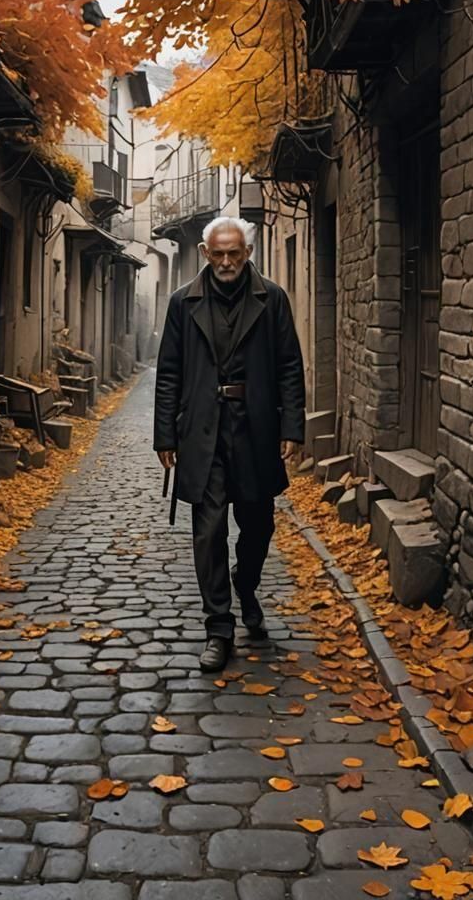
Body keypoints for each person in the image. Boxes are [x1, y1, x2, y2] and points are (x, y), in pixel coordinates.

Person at [153, 216, 306, 671]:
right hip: (203, 431)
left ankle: (247, 580)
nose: (225, 262)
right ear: (204, 253)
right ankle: (218, 628)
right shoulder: (183, 303)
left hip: (255, 428)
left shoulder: (272, 298)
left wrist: (291, 427)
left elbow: (289, 367)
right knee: (208, 531)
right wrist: (165, 434)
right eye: (217, 254)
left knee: (258, 527)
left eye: (233, 254)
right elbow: (169, 373)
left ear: (247, 253)